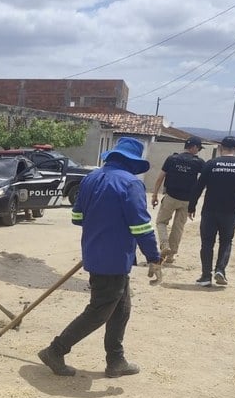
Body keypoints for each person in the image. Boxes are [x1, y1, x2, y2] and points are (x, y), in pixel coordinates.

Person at [38, 137, 161, 378]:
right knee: (99, 311)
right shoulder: (130, 184)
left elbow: (77, 218)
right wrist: (154, 256)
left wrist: (100, 227)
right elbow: (141, 227)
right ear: (132, 163)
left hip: (97, 253)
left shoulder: (90, 179)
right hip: (113, 259)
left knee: (121, 308)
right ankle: (55, 350)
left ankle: (116, 361)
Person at [188, 136, 235, 287]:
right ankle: (220, 270)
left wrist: (191, 206)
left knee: (207, 243)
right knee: (226, 241)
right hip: (230, 211)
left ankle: (205, 276)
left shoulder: (211, 164)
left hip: (210, 210)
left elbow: (198, 186)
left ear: (220, 148)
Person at [150, 136, 205, 264]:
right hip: (187, 200)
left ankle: (165, 246)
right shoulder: (199, 162)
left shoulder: (172, 159)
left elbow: (160, 178)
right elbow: (202, 182)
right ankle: (171, 255)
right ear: (194, 147)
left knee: (161, 222)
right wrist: (194, 202)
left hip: (170, 197)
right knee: (178, 227)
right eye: (199, 148)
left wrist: (154, 195)